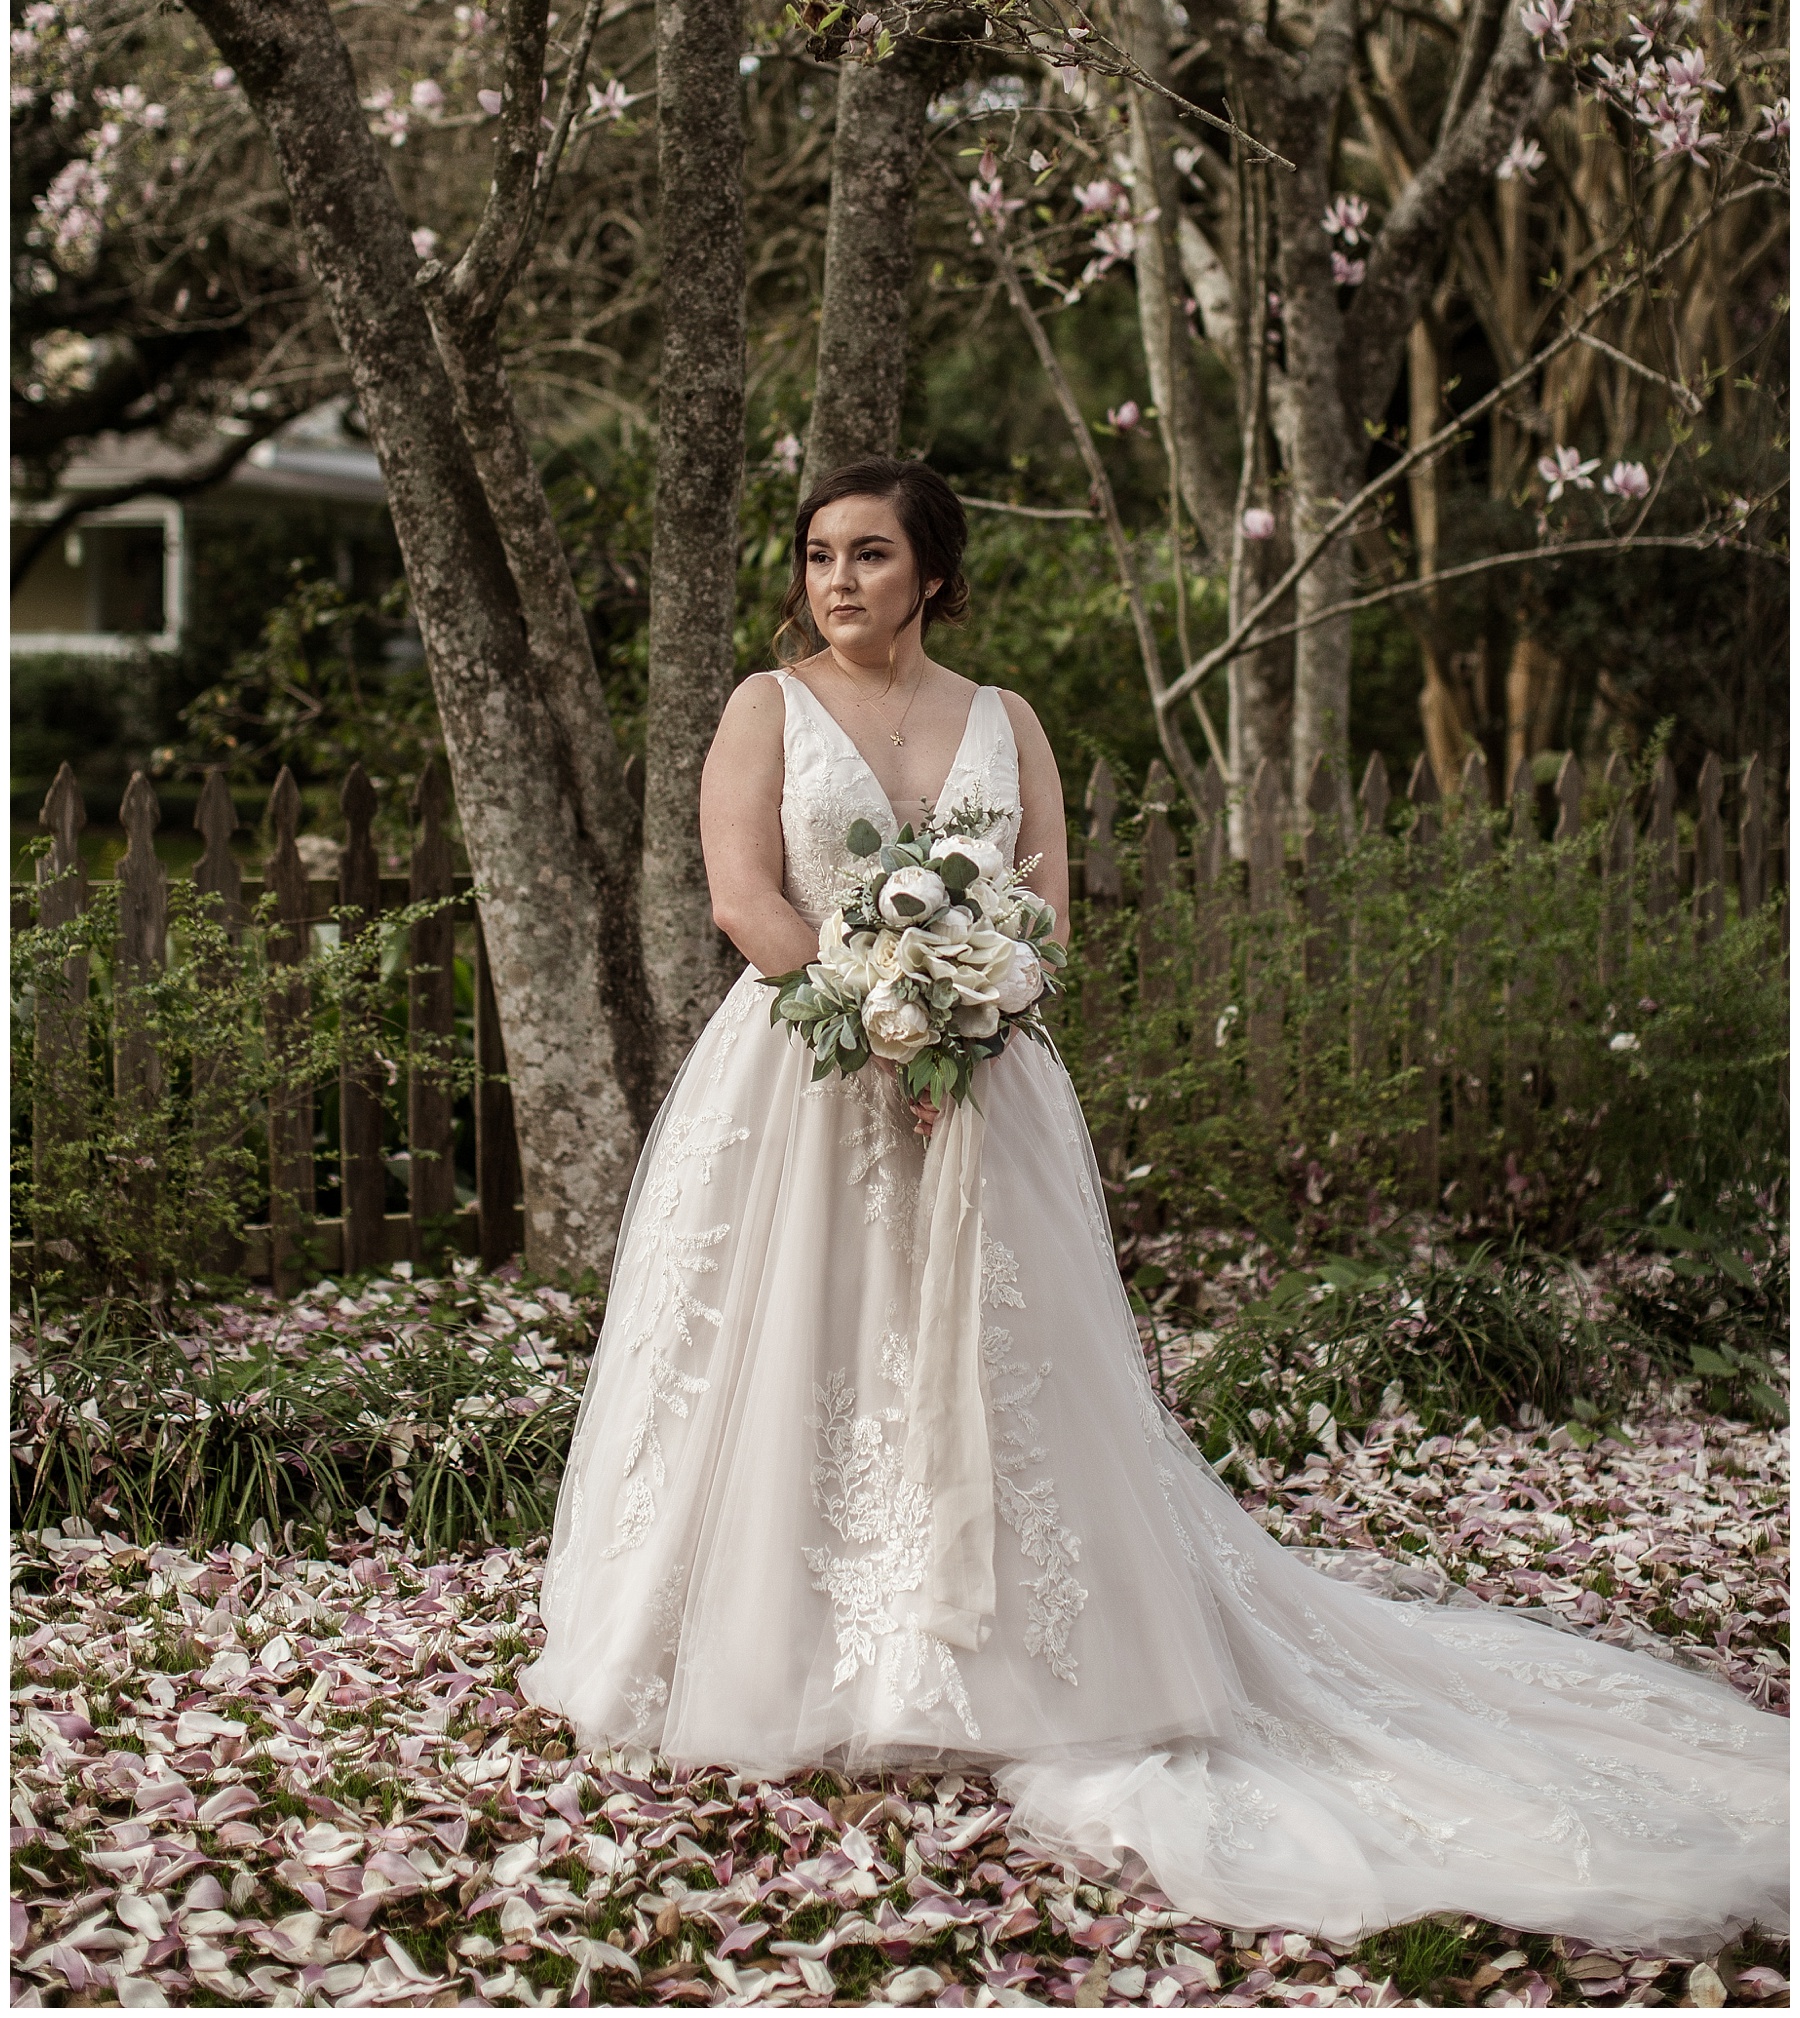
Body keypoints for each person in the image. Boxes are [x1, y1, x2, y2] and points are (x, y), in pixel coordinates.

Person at [521, 457, 1786, 1953]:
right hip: (806, 1081)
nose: (837, 580)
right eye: (816, 555)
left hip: (988, 1081)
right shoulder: (764, 708)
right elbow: (746, 897)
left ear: (934, 572)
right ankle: (807, 1651)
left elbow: (1042, 904)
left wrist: (970, 1008)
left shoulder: (1009, 719)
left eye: (870, 554)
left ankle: (1015, 1647)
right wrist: (881, 1013)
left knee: (1008, 1364)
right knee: (810, 1348)